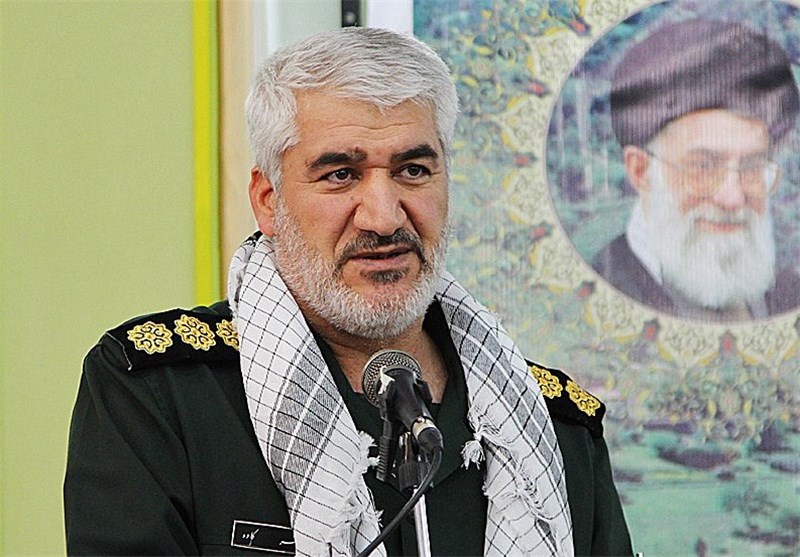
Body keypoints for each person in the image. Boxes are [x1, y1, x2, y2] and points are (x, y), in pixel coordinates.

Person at [64, 27, 632, 556]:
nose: (384, 218)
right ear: (268, 201)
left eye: (413, 170)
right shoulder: (161, 395)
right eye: (340, 175)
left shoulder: (552, 427)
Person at [593, 19, 800, 321]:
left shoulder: (789, 296)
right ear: (640, 171)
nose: (732, 199)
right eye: (703, 167)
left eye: (752, 166)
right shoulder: (594, 296)